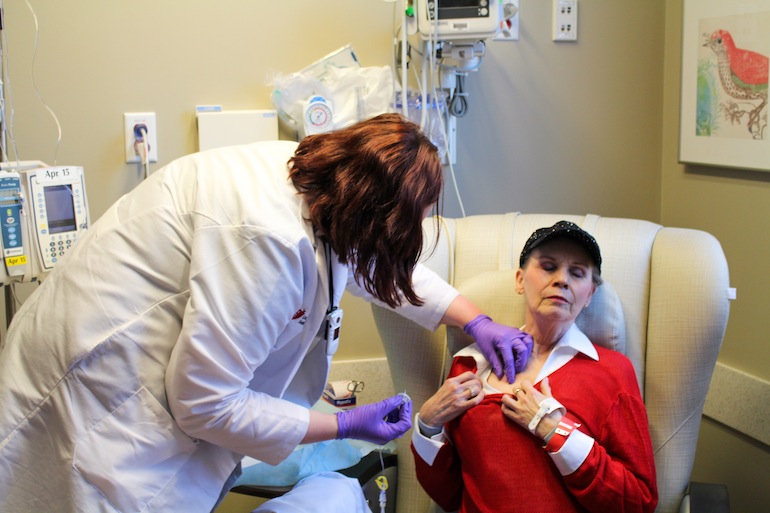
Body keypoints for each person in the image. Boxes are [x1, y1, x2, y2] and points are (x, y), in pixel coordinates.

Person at [0, 113, 532, 513]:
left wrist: (474, 319)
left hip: (140, 386)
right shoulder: (267, 237)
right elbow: (204, 403)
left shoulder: (325, 180)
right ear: (371, 212)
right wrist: (342, 424)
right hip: (99, 398)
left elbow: (380, 262)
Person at [411, 220, 658, 513]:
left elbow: (638, 502)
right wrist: (427, 426)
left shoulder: (613, 372)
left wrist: (555, 431)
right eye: (549, 267)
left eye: (577, 273)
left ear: (590, 293)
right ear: (519, 279)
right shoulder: (470, 365)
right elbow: (449, 495)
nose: (562, 280)